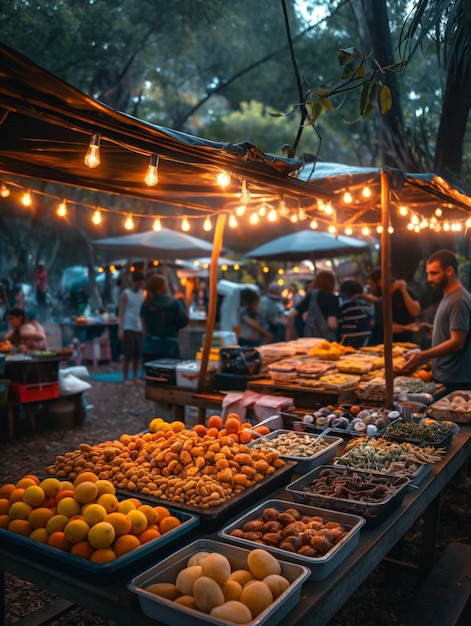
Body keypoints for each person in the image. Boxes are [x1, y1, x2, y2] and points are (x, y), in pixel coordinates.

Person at [401, 249, 471, 394]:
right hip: (443, 376)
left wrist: (422, 355)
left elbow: (457, 342)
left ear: (450, 271)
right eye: (428, 273)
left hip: (454, 381)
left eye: (434, 273)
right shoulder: (449, 296)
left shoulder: (458, 299)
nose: (429, 279)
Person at [364, 267, 421, 344]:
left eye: (372, 285)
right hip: (389, 344)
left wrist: (403, 290)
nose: (372, 288)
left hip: (407, 342)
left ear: (380, 281)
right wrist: (408, 328)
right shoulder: (382, 301)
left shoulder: (406, 292)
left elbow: (415, 312)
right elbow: (387, 327)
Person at [140, 274, 189, 363]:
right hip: (169, 348)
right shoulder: (174, 303)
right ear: (163, 286)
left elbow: (143, 328)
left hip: (149, 347)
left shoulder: (146, 304)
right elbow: (183, 322)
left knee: (150, 376)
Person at [285, 269, 340, 341]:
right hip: (327, 341)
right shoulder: (332, 298)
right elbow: (332, 324)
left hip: (310, 339)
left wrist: (290, 337)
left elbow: (291, 315)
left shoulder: (312, 295)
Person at [118, 271, 145, 385]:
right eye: (137, 283)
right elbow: (121, 311)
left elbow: (142, 312)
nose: (139, 286)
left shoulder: (142, 294)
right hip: (128, 326)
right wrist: (121, 328)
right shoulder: (126, 294)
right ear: (133, 282)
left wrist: (143, 327)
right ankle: (125, 378)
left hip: (138, 326)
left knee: (137, 355)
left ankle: (134, 376)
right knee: (127, 354)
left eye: (141, 283)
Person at [338, 279, 374, 348]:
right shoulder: (366, 304)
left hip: (349, 340)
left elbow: (339, 323)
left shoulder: (345, 306)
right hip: (367, 338)